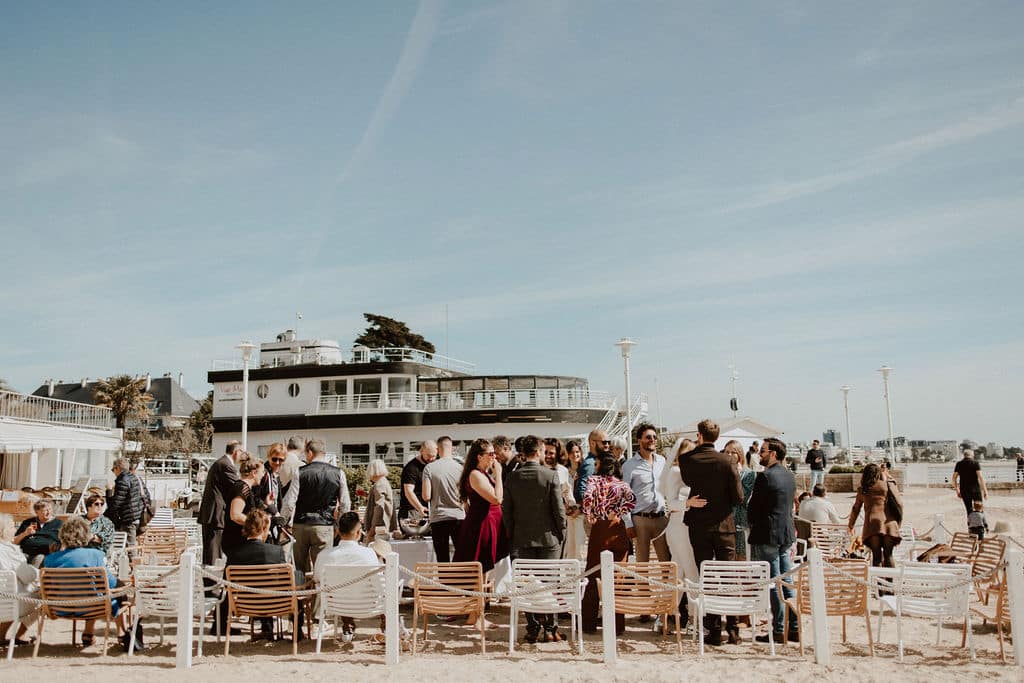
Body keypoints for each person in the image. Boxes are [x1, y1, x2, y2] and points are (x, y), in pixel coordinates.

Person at [679, 419, 742, 646]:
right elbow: (738, 497)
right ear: (717, 437)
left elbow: (687, 480)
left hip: (699, 525)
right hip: (724, 525)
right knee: (728, 576)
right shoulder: (727, 461)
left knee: (707, 576)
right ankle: (733, 628)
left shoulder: (687, 459)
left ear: (699, 435)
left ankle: (713, 629)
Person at [503, 434, 566, 643]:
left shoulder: (512, 477)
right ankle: (550, 628)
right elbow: (559, 510)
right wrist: (561, 532)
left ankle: (532, 627)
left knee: (526, 585)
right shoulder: (550, 475)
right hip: (549, 539)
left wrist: (512, 534)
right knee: (550, 584)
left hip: (521, 539)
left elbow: (508, 512)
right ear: (538, 451)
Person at [43, 516, 136, 650]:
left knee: (91, 590)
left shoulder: (51, 559)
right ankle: (121, 632)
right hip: (93, 607)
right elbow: (110, 583)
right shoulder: (95, 555)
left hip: (61, 608)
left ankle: (89, 632)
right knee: (114, 590)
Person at [747, 438, 799, 643]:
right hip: (785, 533)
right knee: (787, 581)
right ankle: (794, 626)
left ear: (774, 454)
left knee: (773, 582)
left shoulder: (765, 477)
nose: (760, 454)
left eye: (763, 451)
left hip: (767, 533)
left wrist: (751, 523)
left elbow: (754, 507)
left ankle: (778, 629)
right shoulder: (790, 476)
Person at [581, 454, 635, 634]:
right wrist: (618, 511)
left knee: (592, 575)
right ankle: (617, 625)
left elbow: (587, 498)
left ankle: (589, 624)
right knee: (618, 578)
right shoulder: (622, 484)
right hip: (617, 528)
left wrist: (590, 513)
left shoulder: (594, 480)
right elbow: (632, 500)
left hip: (599, 528)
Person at [225, 508, 298, 641]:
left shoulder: (234, 553)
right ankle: (297, 635)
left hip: (245, 603)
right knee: (290, 591)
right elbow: (286, 582)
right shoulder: (276, 551)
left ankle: (267, 630)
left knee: (262, 589)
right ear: (264, 528)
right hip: (275, 603)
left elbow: (226, 584)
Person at [313, 512, 382, 642]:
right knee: (385, 591)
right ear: (359, 533)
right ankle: (387, 629)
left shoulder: (324, 555)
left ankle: (347, 627)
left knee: (343, 590)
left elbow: (317, 579)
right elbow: (378, 585)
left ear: (338, 531)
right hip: (369, 606)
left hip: (337, 606)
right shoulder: (368, 554)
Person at [656, 437, 702, 626]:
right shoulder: (675, 472)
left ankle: (665, 615)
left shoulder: (690, 473)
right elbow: (670, 503)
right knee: (690, 572)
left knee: (678, 572)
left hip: (685, 526)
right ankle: (695, 617)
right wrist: (688, 503)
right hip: (679, 525)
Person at [621, 422, 670, 582]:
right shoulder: (629, 465)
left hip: (662, 518)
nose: (652, 440)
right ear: (639, 440)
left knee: (666, 563)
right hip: (640, 520)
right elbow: (625, 496)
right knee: (643, 565)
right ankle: (643, 596)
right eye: (648, 437)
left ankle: (667, 597)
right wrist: (628, 523)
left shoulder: (662, 461)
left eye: (655, 437)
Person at [293, 438, 350, 574]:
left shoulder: (299, 472)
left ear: (310, 453)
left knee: (300, 568)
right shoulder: (338, 473)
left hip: (301, 523)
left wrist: (285, 521)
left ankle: (301, 593)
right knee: (323, 568)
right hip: (324, 524)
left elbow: (290, 501)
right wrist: (338, 525)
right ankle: (319, 595)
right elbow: (345, 503)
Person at [454, 439, 506, 574]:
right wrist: (499, 474)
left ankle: (484, 594)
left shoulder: (483, 474)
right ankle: (480, 595)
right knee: (481, 566)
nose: (494, 457)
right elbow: (496, 499)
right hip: (483, 525)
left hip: (489, 523)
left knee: (485, 566)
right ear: (479, 457)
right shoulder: (475, 475)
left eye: (494, 453)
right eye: (490, 454)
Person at [847, 463, 902, 567]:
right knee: (888, 555)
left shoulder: (863, 489)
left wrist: (851, 525)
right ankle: (890, 583)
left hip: (872, 525)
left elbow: (856, 509)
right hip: (889, 523)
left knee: (876, 556)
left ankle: (878, 583)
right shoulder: (887, 485)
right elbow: (899, 504)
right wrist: (898, 522)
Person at [198, 440, 242, 566]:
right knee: (213, 552)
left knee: (212, 551)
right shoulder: (225, 465)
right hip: (215, 515)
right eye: (241, 452)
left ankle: (211, 581)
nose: (242, 455)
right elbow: (239, 486)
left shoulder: (221, 463)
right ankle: (211, 582)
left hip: (213, 514)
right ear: (236, 451)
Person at [421, 436, 465, 563]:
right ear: (452, 449)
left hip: (439, 518)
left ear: (438, 449)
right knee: (461, 556)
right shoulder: (461, 469)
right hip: (458, 517)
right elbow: (466, 496)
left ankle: (444, 583)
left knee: (442, 558)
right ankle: (461, 581)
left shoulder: (429, 468)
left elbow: (426, 496)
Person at [0, 512, 40, 647]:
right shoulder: (10, 552)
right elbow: (28, 576)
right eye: (12, 527)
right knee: (43, 597)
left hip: (4, 601)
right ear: (3, 531)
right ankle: (21, 633)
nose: (15, 530)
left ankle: (1, 635)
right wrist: (38, 573)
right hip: (12, 604)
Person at [222, 453, 266, 555]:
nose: (263, 475)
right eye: (262, 472)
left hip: (240, 540)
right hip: (236, 541)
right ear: (254, 473)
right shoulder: (243, 488)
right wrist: (256, 524)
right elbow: (235, 515)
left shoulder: (245, 488)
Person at [724, 439, 757, 560]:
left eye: (733, 452)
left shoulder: (748, 473)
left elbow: (742, 498)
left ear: (740, 454)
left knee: (741, 556)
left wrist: (736, 475)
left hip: (739, 520)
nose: (729, 455)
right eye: (727, 452)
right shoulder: (721, 472)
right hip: (724, 520)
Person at [106, 457, 144, 556]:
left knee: (129, 547)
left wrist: (109, 491)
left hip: (128, 518)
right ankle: (132, 567)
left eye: (113, 469)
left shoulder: (122, 480)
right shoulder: (134, 478)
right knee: (130, 545)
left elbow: (115, 504)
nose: (113, 472)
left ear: (118, 468)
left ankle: (134, 569)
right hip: (137, 516)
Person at [13, 500, 63, 564]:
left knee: (39, 558)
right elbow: (14, 541)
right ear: (37, 512)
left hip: (47, 555)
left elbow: (64, 543)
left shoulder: (59, 524)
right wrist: (25, 533)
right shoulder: (28, 523)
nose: (48, 512)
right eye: (44, 510)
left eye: (50, 509)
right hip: (24, 555)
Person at [363, 459, 397, 544]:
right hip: (384, 525)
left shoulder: (379, 484)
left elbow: (379, 507)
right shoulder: (384, 482)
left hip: (379, 526)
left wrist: (373, 528)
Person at [562, 439, 586, 560]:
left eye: (577, 452)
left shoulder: (585, 470)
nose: (575, 455)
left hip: (581, 514)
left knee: (580, 547)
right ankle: (570, 577)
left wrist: (580, 508)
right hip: (568, 514)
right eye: (571, 452)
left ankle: (582, 576)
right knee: (569, 548)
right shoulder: (563, 471)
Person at [399, 441, 436, 520]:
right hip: (412, 511)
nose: (431, 459)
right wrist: (420, 507)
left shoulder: (432, 465)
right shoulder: (411, 468)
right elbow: (408, 491)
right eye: (428, 456)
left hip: (428, 509)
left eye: (434, 456)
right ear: (421, 451)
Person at [574, 429, 609, 507]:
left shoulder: (602, 461)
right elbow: (581, 492)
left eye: (608, 442)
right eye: (604, 442)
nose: (607, 445)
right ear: (592, 443)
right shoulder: (590, 464)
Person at [278, 435, 305, 526]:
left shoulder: (276, 462)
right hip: (292, 514)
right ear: (302, 448)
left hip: (274, 509)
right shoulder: (302, 466)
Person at [952, 449, 988, 518]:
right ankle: (982, 526)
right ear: (972, 455)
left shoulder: (959, 464)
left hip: (964, 490)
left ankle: (971, 527)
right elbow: (980, 478)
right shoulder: (975, 463)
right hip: (975, 489)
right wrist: (985, 491)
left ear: (964, 455)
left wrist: (957, 491)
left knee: (969, 509)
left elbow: (954, 478)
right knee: (979, 508)